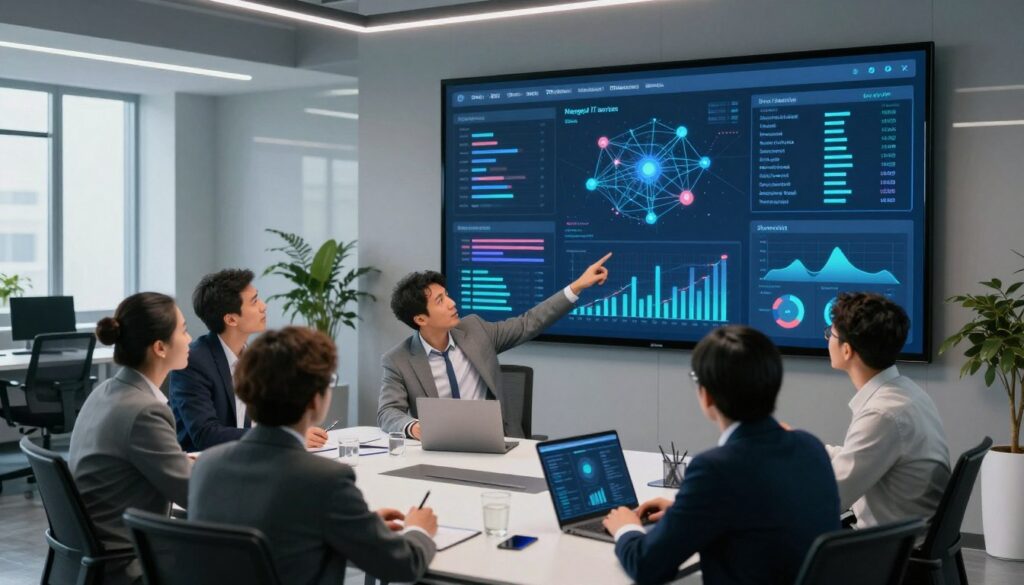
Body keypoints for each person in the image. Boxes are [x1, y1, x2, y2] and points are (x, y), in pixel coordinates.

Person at [190, 326, 438, 583]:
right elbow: (402, 566)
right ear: (315, 401)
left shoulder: (206, 465)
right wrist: (418, 529)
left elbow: (274, 523)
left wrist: (358, 524)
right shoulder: (325, 480)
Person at [602, 326, 840, 585]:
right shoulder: (811, 446)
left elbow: (646, 566)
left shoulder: (715, 469)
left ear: (707, 396)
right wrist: (688, 513)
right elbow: (765, 515)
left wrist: (625, 527)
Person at [378, 253, 612, 439]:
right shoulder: (398, 360)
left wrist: (577, 286)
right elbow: (388, 412)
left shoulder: (475, 330)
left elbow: (528, 323)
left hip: (498, 445)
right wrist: (414, 427)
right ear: (420, 319)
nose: (452, 303)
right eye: (441, 301)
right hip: (440, 451)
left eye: (447, 295)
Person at [69, 293, 193, 585]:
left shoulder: (107, 391)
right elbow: (192, 493)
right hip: (129, 565)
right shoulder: (144, 411)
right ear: (160, 347)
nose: (190, 339)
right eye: (184, 330)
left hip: (95, 556)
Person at [825, 292, 950, 528]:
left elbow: (831, 499)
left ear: (847, 350)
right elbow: (859, 456)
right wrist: (803, 447)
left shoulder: (882, 415)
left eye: (829, 334)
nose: (827, 340)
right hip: (902, 535)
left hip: (887, 550)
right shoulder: (907, 393)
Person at [169, 268, 327, 450]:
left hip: (246, 457)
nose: (263, 306)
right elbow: (206, 435)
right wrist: (282, 437)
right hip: (204, 468)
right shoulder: (193, 362)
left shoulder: (256, 357)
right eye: (254, 302)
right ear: (231, 319)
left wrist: (297, 431)